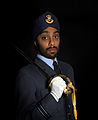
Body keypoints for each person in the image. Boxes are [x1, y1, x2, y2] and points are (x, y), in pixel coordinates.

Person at [15, 11, 77, 120]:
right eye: (45, 37)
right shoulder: (26, 74)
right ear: (35, 42)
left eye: (56, 36)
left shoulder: (68, 69)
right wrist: (53, 97)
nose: (52, 42)